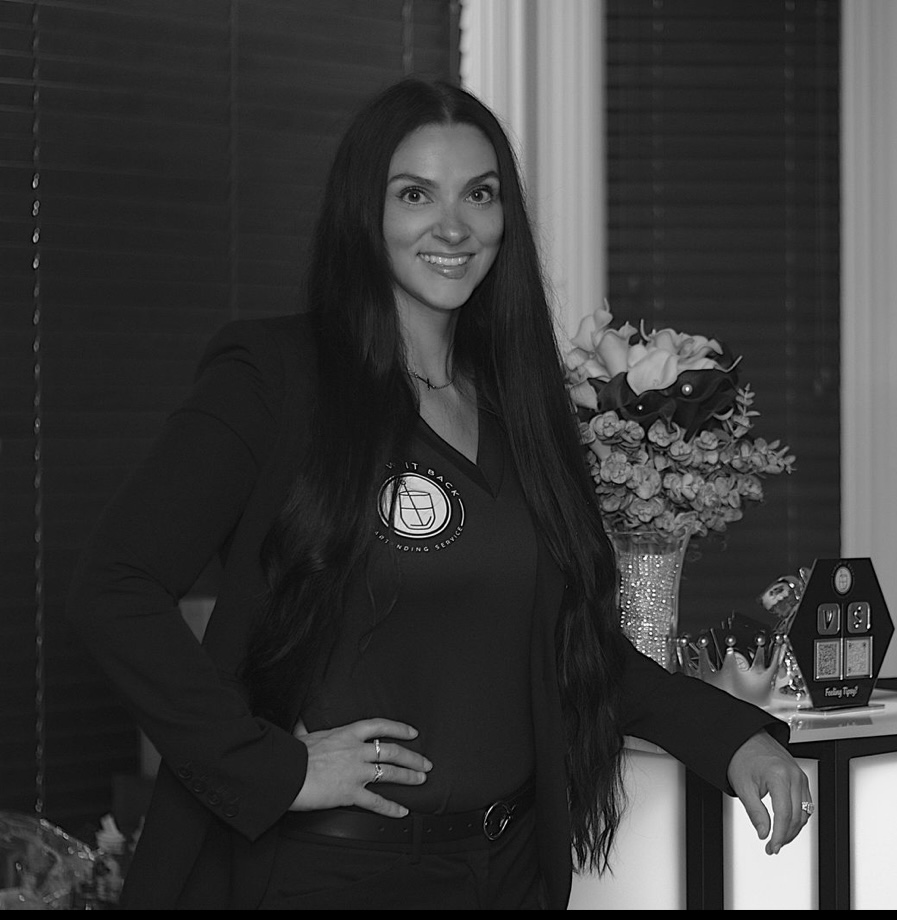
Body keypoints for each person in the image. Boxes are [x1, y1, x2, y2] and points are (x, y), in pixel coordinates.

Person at [66, 78, 810, 910]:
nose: (453, 227)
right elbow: (114, 586)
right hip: (327, 877)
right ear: (364, 212)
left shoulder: (521, 406)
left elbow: (576, 649)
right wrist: (271, 766)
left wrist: (735, 737)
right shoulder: (274, 381)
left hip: (506, 873)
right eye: (415, 194)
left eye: (480, 195)